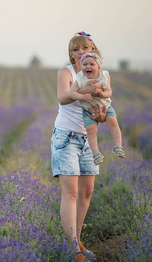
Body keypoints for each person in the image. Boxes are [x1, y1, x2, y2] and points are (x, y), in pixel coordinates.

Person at [50, 31, 106, 261]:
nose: (81, 52)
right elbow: (62, 97)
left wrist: (101, 116)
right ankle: (73, 249)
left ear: (93, 51)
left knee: (86, 193)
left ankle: (77, 243)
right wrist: (84, 92)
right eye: (75, 49)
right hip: (66, 138)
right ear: (71, 55)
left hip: (87, 139)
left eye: (85, 48)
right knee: (70, 193)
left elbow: (101, 111)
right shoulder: (67, 72)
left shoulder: (98, 75)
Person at [68, 49, 125, 165]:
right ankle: (96, 153)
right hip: (87, 109)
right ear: (81, 66)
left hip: (106, 106)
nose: (88, 66)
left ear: (98, 66)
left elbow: (109, 90)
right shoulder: (80, 78)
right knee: (90, 130)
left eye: (92, 64)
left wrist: (104, 94)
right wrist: (82, 96)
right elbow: (71, 93)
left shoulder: (104, 76)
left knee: (113, 123)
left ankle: (118, 146)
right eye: (84, 64)